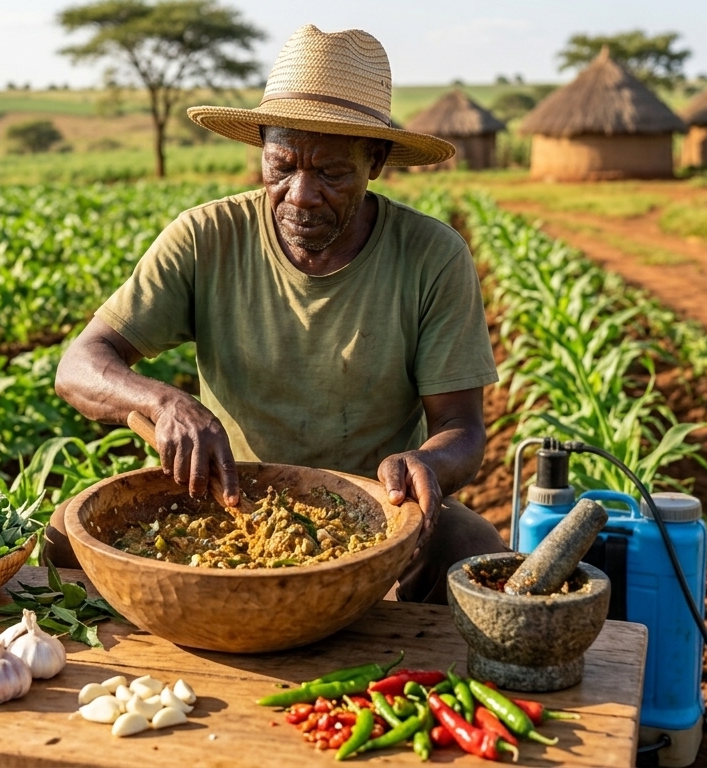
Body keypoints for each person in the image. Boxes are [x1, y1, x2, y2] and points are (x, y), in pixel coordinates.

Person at [50, 24, 508, 603]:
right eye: (282, 166)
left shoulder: (431, 257)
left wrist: (425, 465)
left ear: (378, 160)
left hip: (371, 512)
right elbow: (79, 366)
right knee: (66, 534)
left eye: (332, 173)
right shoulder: (205, 237)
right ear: (262, 148)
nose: (301, 194)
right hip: (225, 501)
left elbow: (463, 428)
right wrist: (164, 402)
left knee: (473, 549)